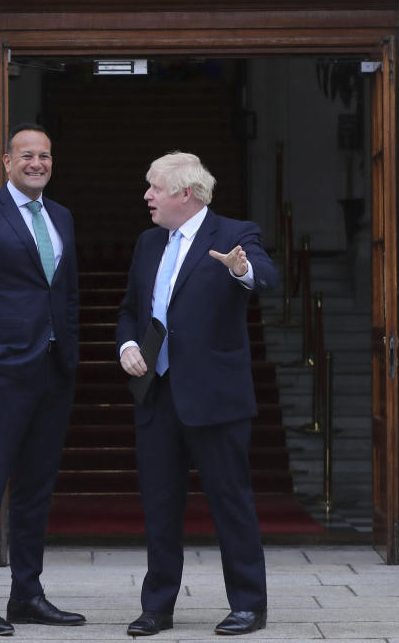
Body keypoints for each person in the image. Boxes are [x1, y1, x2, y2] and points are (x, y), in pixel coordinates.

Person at [116, 152, 277, 637]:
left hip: (214, 397)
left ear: (184, 193)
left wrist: (240, 269)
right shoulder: (148, 243)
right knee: (160, 505)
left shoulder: (234, 234)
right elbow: (129, 309)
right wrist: (126, 344)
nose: (146, 195)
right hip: (157, 394)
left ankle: (249, 606)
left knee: (231, 501)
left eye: (154, 187)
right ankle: (157, 607)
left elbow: (265, 277)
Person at [0, 123, 84, 636]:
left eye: (44, 156)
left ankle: (28, 594)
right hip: (2, 371)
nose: (37, 163)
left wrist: (69, 351)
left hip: (53, 372)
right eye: (26, 155)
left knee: (35, 490)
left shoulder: (63, 217)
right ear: (6, 162)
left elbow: (66, 293)